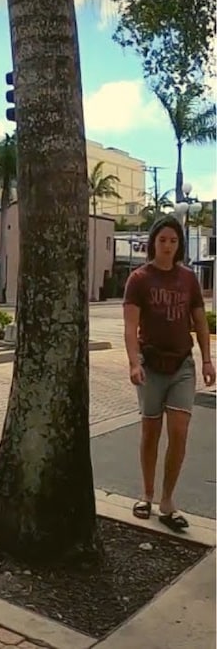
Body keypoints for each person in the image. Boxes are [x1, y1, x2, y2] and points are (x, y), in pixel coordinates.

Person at [123, 215, 214, 533]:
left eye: (173, 241)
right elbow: (130, 328)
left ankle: (167, 501)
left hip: (182, 366)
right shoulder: (139, 279)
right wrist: (134, 363)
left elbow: (200, 322)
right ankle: (146, 495)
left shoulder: (187, 279)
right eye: (162, 240)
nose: (167, 246)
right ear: (153, 242)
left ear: (179, 245)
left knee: (179, 431)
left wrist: (207, 360)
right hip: (151, 366)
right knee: (150, 432)